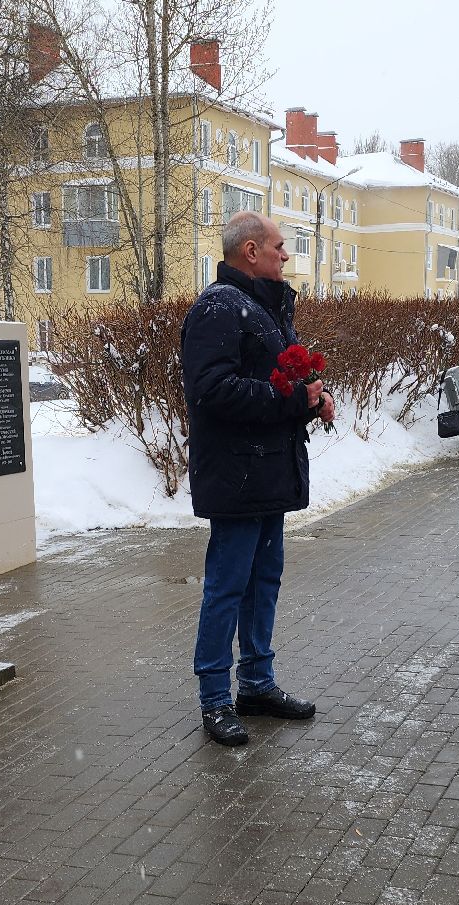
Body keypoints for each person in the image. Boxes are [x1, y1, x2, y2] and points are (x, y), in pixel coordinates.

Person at [180, 211, 335, 747]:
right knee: (227, 587)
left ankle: (257, 684)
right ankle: (215, 699)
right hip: (237, 474)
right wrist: (291, 398)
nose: (285, 255)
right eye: (278, 246)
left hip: (267, 471)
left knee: (263, 581)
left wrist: (311, 399)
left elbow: (275, 379)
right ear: (250, 251)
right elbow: (212, 389)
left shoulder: (263, 308)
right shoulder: (218, 308)